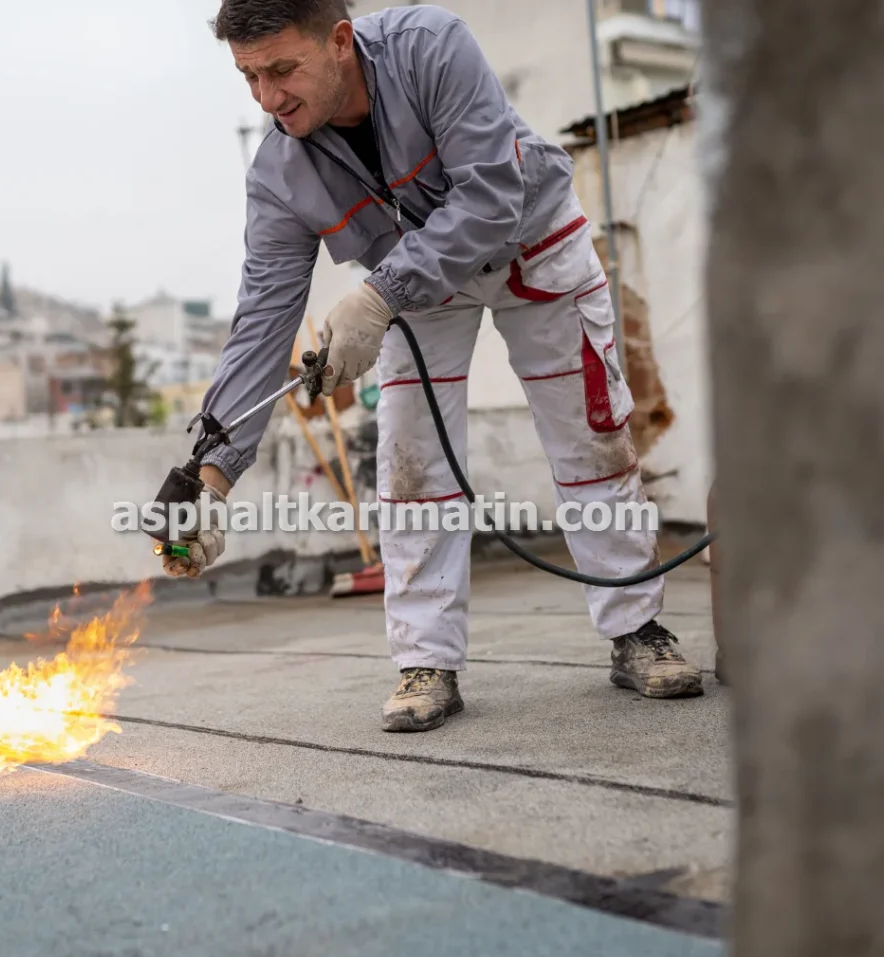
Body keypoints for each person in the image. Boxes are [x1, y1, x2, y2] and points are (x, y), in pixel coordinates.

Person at [160, 0, 704, 731]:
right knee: (411, 465)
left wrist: (378, 295)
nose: (268, 97)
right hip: (419, 282)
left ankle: (636, 630)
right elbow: (262, 319)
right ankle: (427, 661)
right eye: (249, 77)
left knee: (590, 436)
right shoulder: (279, 172)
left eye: (283, 69)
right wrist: (211, 476)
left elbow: (490, 196)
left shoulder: (431, 46)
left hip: (529, 240)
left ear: (341, 42)